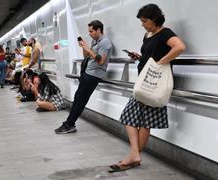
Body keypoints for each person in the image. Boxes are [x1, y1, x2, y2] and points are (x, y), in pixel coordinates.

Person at [109, 4, 186, 173]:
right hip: (145, 80)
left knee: (135, 119)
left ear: (154, 19)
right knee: (138, 120)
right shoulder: (148, 35)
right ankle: (135, 156)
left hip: (154, 83)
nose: (142, 24)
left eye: (145, 21)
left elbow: (180, 47)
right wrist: (140, 57)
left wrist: (160, 63)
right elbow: (150, 55)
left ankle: (134, 156)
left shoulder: (165, 33)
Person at [54, 20, 112, 134]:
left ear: (99, 30)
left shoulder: (105, 43)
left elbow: (101, 61)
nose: (90, 33)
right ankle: (69, 123)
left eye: (91, 31)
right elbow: (86, 56)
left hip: (94, 75)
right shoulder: (95, 41)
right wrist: (84, 47)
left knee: (80, 100)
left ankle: (70, 124)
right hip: (87, 73)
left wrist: (89, 49)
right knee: (77, 98)